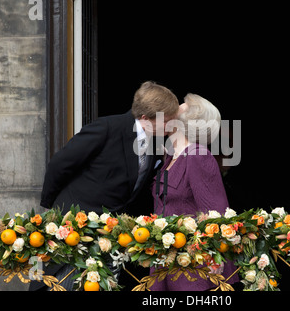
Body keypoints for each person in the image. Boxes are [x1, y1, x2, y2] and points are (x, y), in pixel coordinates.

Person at [29, 81, 179, 291]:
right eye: (168, 121)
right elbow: (61, 163)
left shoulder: (155, 142)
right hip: (74, 224)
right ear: (146, 118)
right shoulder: (107, 127)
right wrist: (53, 208)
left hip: (111, 235)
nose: (172, 127)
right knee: (57, 283)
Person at [149, 93, 240, 291]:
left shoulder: (198, 156)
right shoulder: (169, 158)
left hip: (193, 268)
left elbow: (215, 212)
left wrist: (214, 255)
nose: (169, 110)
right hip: (166, 261)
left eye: (178, 107)